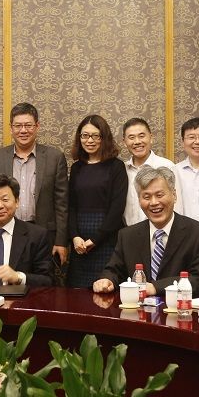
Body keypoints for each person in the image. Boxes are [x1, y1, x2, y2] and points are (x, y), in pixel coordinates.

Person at [93, 166, 199, 297]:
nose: (154, 202)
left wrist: (155, 287)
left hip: (182, 311)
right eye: (146, 197)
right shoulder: (127, 235)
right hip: (138, 312)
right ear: (139, 200)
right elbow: (114, 270)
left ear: (174, 195)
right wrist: (107, 279)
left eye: (159, 195)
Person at [0, 103, 68, 281]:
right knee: (6, 282)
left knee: (39, 285)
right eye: (18, 126)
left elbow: (62, 203)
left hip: (43, 235)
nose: (23, 130)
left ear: (37, 126)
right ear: (11, 128)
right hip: (7, 232)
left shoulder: (55, 157)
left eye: (28, 125)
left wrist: (61, 241)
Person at [67, 115, 127, 288]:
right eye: (85, 135)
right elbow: (71, 206)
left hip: (106, 239)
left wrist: (95, 239)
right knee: (77, 295)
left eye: (95, 136)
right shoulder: (77, 167)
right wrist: (75, 237)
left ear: (104, 138)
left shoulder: (116, 166)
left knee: (105, 290)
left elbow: (117, 208)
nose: (89, 140)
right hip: (80, 244)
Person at [121, 118, 183, 226]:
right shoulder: (122, 170)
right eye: (131, 137)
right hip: (129, 234)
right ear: (124, 142)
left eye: (141, 136)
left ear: (151, 137)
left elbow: (177, 206)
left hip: (161, 234)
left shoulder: (167, 166)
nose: (137, 142)